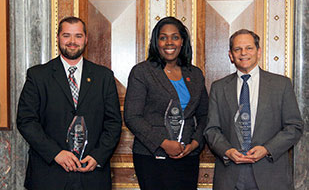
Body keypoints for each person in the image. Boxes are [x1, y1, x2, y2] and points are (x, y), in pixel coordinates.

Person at [17, 16, 122, 190]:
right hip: (49, 174)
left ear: (86, 39)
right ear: (58, 38)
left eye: (78, 36)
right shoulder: (38, 76)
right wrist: (55, 153)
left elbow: (113, 123)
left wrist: (97, 156)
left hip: (91, 174)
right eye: (66, 35)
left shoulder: (104, 77)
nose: (72, 41)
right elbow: (26, 121)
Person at [204, 29, 303, 190]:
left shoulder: (281, 85)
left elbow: (294, 127)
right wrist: (227, 151)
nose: (243, 53)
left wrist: (267, 149)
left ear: (258, 52)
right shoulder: (219, 87)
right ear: (231, 55)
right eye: (237, 49)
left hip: (270, 173)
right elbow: (211, 129)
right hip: (230, 176)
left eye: (249, 48)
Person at [124, 16, 209, 190]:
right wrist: (163, 143)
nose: (169, 42)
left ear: (182, 41)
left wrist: (194, 143)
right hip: (152, 157)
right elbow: (132, 117)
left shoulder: (195, 74)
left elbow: (204, 115)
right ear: (156, 42)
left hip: (188, 155)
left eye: (175, 37)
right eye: (163, 38)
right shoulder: (142, 72)